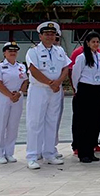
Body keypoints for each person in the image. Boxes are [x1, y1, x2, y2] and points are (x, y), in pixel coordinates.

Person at [25, 21, 69, 169]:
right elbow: (33, 70)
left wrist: (58, 83)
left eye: (52, 34)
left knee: (52, 121)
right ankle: (32, 155)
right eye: (46, 34)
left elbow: (65, 68)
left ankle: (49, 153)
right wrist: (51, 83)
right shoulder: (33, 51)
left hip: (55, 90)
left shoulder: (59, 51)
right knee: (35, 122)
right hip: (39, 89)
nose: (50, 36)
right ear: (40, 36)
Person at [71, 32, 100, 163]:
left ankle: (91, 150)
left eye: (97, 42)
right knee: (83, 122)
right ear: (87, 43)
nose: (96, 44)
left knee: (95, 121)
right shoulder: (81, 57)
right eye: (93, 42)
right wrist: (77, 89)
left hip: (97, 89)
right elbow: (75, 75)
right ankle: (83, 152)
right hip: (85, 89)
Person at [0, 42, 28, 164]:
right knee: (0, 126)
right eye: (9, 51)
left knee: (13, 126)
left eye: (15, 51)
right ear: (4, 53)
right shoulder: (0, 66)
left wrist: (19, 93)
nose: (12, 53)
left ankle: (9, 152)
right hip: (3, 97)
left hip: (17, 97)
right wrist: (9, 95)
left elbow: (25, 81)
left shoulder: (21, 66)